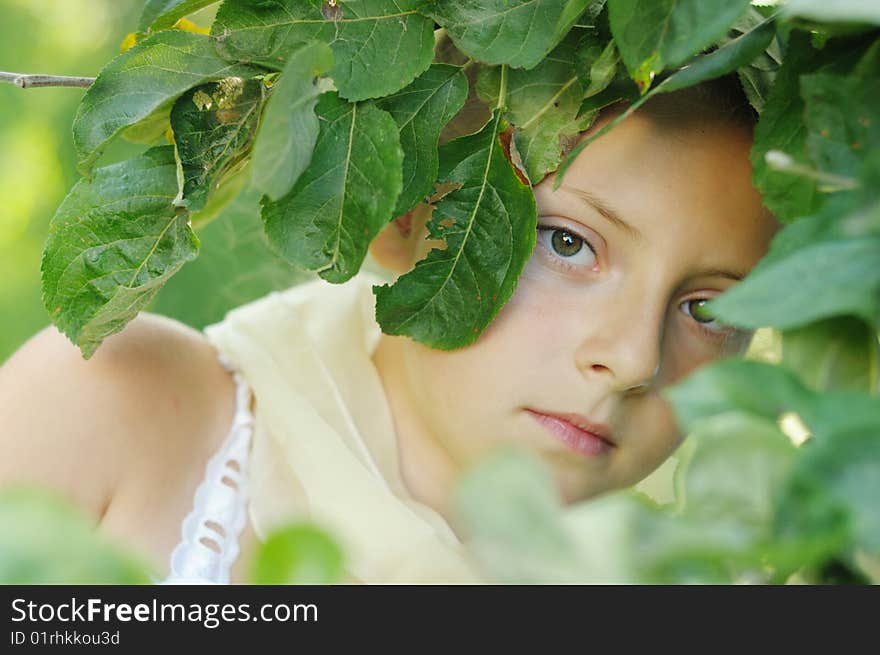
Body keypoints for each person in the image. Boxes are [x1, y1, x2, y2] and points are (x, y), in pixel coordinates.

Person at [0, 70, 779, 584]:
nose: (635, 356)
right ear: (403, 211)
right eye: (567, 242)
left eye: (709, 309)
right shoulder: (117, 413)